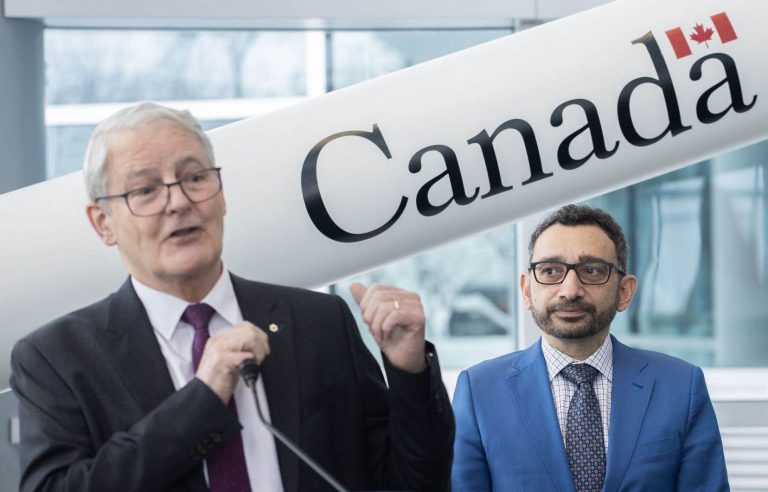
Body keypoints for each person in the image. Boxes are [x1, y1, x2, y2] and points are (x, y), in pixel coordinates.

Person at [10, 102, 454, 492]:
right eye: (145, 190)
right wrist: (203, 398)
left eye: (194, 178)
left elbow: (413, 480)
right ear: (103, 223)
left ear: (221, 195)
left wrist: (408, 369)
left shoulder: (320, 322)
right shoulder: (57, 358)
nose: (179, 202)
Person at [451, 204, 728, 491]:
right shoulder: (479, 392)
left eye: (592, 270)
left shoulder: (681, 387)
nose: (570, 290)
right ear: (526, 290)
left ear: (624, 292)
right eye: (550, 271)